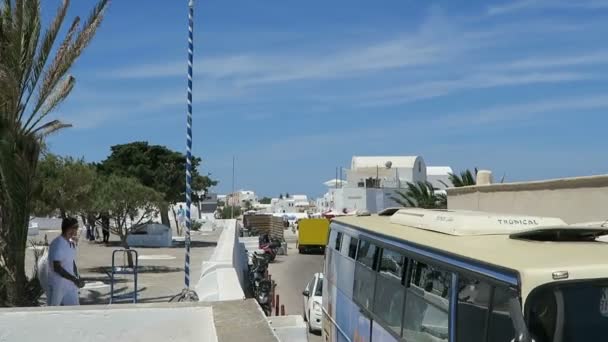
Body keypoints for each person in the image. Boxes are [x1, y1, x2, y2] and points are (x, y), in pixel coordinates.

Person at [47, 217, 85, 306]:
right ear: (68, 228)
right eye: (75, 227)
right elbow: (57, 267)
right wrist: (74, 279)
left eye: (77, 227)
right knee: (53, 311)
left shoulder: (71, 243)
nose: (77, 230)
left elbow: (71, 261)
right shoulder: (58, 244)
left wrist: (77, 276)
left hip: (70, 285)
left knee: (75, 310)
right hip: (58, 285)